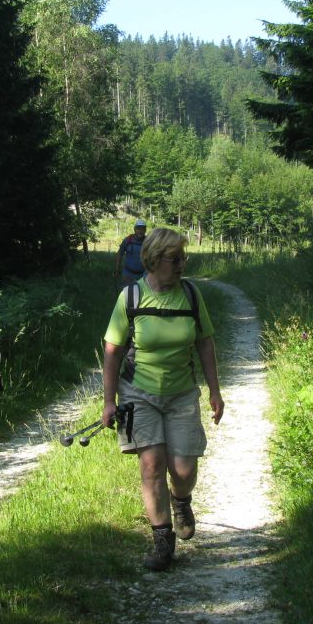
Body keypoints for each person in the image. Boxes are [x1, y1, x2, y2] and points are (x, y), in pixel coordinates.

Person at [101, 227, 225, 571]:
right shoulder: (131, 298)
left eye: (183, 258)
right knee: (151, 465)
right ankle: (162, 542)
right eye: (175, 259)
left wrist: (215, 391)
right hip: (139, 394)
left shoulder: (190, 295)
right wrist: (108, 401)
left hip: (182, 392)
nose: (181, 264)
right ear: (154, 260)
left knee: (183, 469)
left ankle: (181, 499)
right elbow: (112, 351)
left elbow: (205, 342)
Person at [114, 218, 147, 287]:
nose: (140, 231)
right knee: (127, 295)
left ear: (145, 230)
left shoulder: (148, 241)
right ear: (134, 229)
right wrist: (117, 269)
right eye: (138, 229)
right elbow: (120, 253)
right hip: (128, 274)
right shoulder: (128, 240)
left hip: (143, 275)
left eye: (142, 229)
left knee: (142, 296)